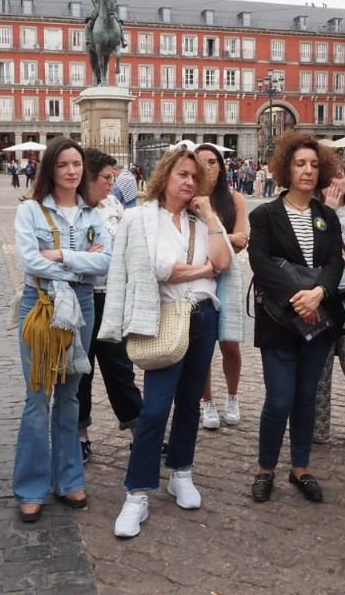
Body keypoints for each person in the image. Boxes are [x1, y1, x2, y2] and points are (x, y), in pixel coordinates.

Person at [100, 148, 231, 537]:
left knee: (190, 402)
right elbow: (159, 270)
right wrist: (203, 268)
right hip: (162, 317)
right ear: (165, 177)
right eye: (182, 174)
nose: (189, 181)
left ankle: (181, 472)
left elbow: (223, 261)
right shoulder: (140, 219)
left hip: (203, 316)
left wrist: (209, 217)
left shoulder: (201, 221)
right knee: (155, 409)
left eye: (195, 176)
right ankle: (136, 493)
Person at [12, 137, 110, 523]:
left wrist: (65, 256)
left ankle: (69, 478)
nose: (71, 171)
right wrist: (78, 266)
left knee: (70, 393)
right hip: (40, 305)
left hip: (82, 306)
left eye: (76, 164)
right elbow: (30, 261)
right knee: (38, 394)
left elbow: (107, 262)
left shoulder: (93, 213)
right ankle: (31, 486)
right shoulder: (31, 211)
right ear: (50, 169)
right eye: (63, 165)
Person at [247, 132, 345, 504]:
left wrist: (319, 293)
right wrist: (296, 298)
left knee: (306, 397)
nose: (307, 170)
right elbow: (261, 262)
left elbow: (334, 262)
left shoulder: (327, 217)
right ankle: (266, 468)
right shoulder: (265, 215)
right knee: (279, 400)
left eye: (314, 165)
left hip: (319, 320)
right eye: (300, 163)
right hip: (280, 321)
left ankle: (300, 467)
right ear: (286, 167)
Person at [76, 150, 142, 462]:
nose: (111, 183)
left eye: (112, 177)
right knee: (80, 370)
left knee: (120, 368)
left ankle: (138, 431)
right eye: (105, 178)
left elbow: (124, 247)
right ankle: (80, 434)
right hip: (82, 296)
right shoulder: (71, 209)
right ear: (87, 178)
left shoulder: (114, 204)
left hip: (112, 295)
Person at [194, 144, 248, 430]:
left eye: (212, 162)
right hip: (198, 275)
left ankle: (232, 396)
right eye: (201, 162)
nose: (207, 167)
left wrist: (217, 240)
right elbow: (234, 239)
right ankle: (207, 402)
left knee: (230, 342)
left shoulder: (235, 199)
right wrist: (228, 238)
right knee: (203, 343)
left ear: (221, 166)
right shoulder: (190, 198)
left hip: (226, 274)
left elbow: (243, 240)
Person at [312, 168, 345, 444]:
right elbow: (313, 255)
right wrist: (328, 212)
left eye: (339, 176)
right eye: (328, 178)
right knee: (320, 371)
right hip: (323, 299)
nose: (334, 183)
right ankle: (317, 430)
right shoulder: (312, 213)